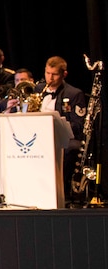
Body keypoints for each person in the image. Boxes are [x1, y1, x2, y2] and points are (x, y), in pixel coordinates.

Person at [35, 56, 87, 202]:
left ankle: (61, 192)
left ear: (64, 74)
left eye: (54, 74)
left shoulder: (74, 94)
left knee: (72, 148)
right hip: (38, 138)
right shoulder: (38, 89)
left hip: (63, 139)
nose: (49, 78)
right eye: (47, 73)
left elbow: (79, 125)